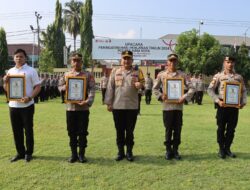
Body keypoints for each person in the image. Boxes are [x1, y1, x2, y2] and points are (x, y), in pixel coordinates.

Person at [105, 50, 145, 162]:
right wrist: (109, 102)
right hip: (117, 106)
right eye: (124, 58)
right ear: (121, 60)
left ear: (132, 60)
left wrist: (140, 85)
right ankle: (120, 152)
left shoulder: (138, 72)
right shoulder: (115, 71)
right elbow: (110, 87)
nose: (126, 60)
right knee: (119, 130)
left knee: (130, 131)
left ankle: (129, 152)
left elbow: (144, 85)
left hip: (132, 107)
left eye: (128, 58)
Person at [153, 53, 195, 160]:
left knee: (177, 129)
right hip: (167, 107)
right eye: (170, 61)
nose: (172, 63)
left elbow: (192, 88)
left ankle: (175, 150)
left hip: (178, 107)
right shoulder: (161, 75)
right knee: (168, 129)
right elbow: (155, 89)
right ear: (167, 62)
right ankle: (168, 150)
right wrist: (161, 96)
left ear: (177, 62)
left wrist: (185, 97)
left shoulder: (182, 75)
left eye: (174, 61)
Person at [3, 49, 41, 162]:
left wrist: (29, 97)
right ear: (13, 58)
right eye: (17, 56)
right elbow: (7, 90)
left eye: (21, 56)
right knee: (16, 130)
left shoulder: (31, 71)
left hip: (27, 105)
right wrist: (5, 82)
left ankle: (29, 153)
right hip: (13, 106)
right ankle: (20, 153)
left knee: (28, 130)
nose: (19, 58)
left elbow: (38, 87)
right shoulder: (10, 71)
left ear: (25, 58)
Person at [207, 56, 247, 159]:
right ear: (224, 63)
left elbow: (244, 91)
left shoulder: (239, 77)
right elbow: (210, 90)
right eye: (228, 62)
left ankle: (228, 149)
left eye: (232, 62)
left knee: (231, 129)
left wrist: (243, 102)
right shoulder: (218, 76)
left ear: (234, 64)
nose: (230, 64)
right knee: (221, 128)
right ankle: (221, 149)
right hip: (222, 106)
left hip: (234, 108)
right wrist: (217, 101)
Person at [61, 53, 95, 163]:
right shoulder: (66, 75)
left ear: (82, 62)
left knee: (83, 132)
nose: (76, 62)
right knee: (71, 132)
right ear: (71, 62)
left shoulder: (88, 75)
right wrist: (64, 87)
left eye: (78, 60)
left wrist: (87, 101)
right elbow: (59, 86)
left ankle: (81, 154)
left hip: (83, 109)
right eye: (74, 60)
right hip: (70, 109)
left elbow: (92, 89)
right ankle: (73, 154)